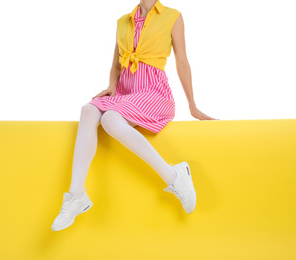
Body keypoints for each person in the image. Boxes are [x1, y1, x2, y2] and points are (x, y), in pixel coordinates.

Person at [51, 0, 218, 232]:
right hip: (125, 94)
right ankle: (76, 196)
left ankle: (174, 175)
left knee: (109, 118)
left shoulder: (173, 16)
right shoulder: (122, 22)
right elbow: (116, 65)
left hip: (154, 94)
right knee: (88, 110)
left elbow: (182, 61)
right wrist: (111, 86)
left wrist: (192, 105)